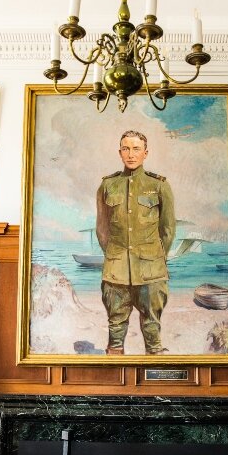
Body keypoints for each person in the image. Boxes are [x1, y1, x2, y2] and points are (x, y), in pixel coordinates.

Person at [96, 130, 176, 355]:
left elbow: (168, 230)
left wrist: (155, 258)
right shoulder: (107, 186)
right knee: (115, 328)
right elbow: (102, 230)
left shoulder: (160, 186)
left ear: (145, 153)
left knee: (152, 326)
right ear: (120, 152)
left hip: (151, 271)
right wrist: (115, 255)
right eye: (126, 148)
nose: (131, 154)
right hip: (116, 270)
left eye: (136, 149)